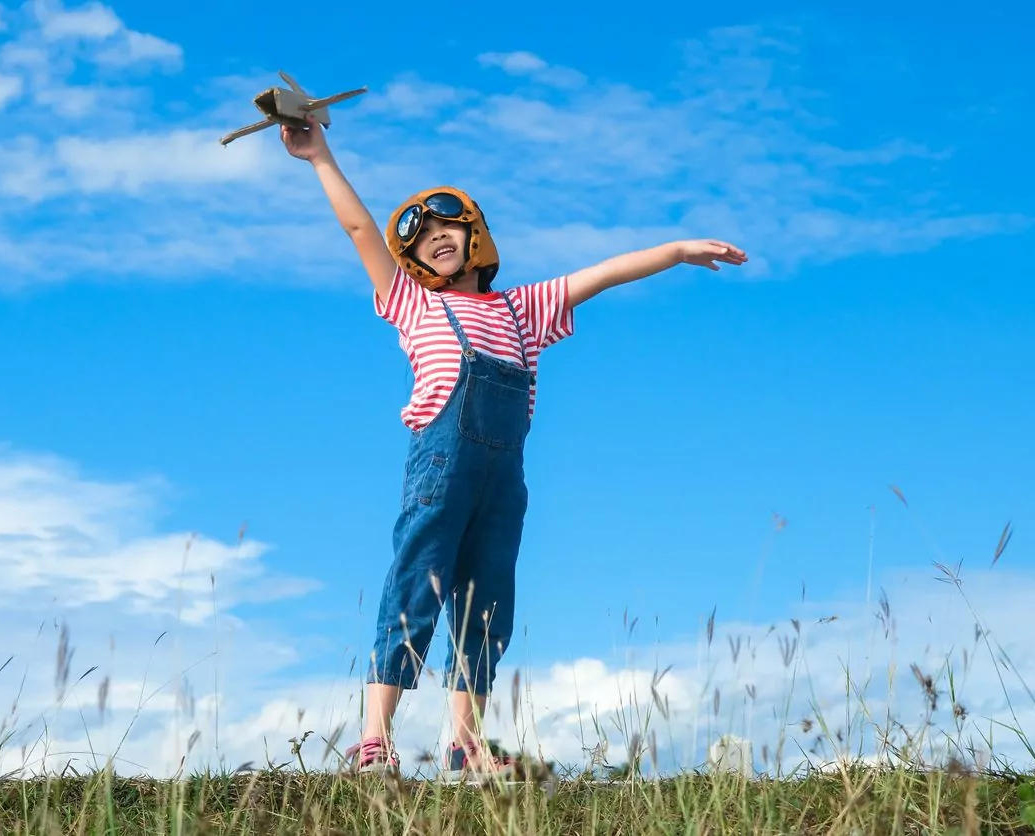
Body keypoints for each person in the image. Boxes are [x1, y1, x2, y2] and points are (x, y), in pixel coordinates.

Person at [281, 114, 747, 783]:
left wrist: (675, 250)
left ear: (475, 235)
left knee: (487, 602)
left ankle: (465, 747)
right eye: (424, 238)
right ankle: (375, 741)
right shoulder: (410, 302)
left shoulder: (522, 310)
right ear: (411, 260)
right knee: (418, 583)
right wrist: (319, 153)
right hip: (439, 466)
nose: (438, 240)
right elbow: (359, 228)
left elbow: (606, 273)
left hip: (505, 479)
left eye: (448, 228)